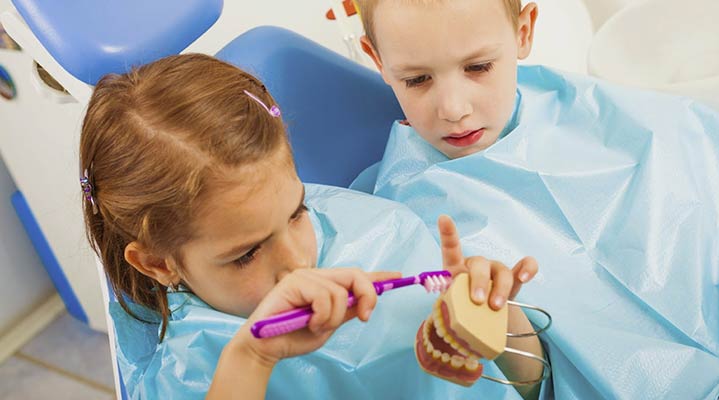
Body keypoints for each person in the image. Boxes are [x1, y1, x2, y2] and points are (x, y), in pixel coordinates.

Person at [354, 0, 719, 398]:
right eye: (417, 79)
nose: (454, 109)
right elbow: (543, 378)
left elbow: (716, 260)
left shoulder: (588, 112)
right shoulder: (411, 220)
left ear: (525, 32)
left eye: (479, 67)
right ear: (377, 60)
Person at [79, 53, 544, 399]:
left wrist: (496, 318)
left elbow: (531, 382)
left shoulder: (377, 232)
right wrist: (253, 357)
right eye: (246, 255)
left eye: (298, 212)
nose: (299, 262)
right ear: (158, 263)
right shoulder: (194, 371)